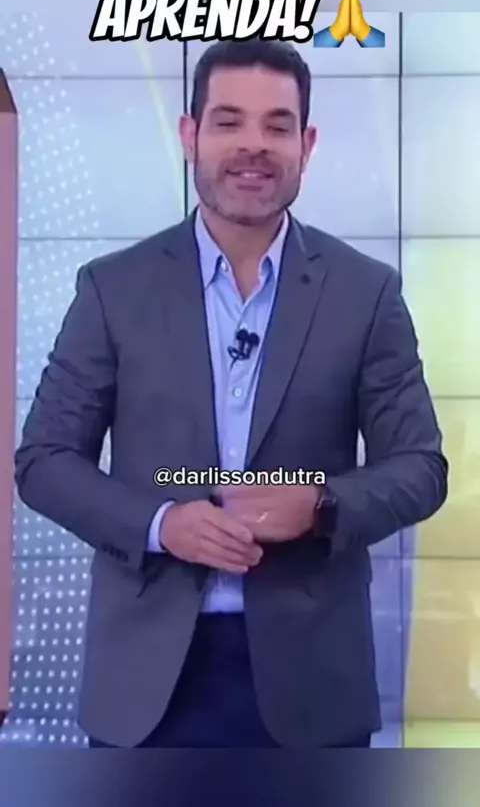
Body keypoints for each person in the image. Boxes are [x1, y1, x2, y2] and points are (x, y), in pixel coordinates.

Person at [14, 38, 448, 749]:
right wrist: (162, 524)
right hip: (145, 689)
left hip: (312, 684)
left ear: (307, 145)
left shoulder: (365, 293)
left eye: (278, 125)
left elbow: (420, 468)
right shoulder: (114, 289)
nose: (254, 146)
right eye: (228, 121)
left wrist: (321, 506)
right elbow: (45, 461)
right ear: (190, 136)